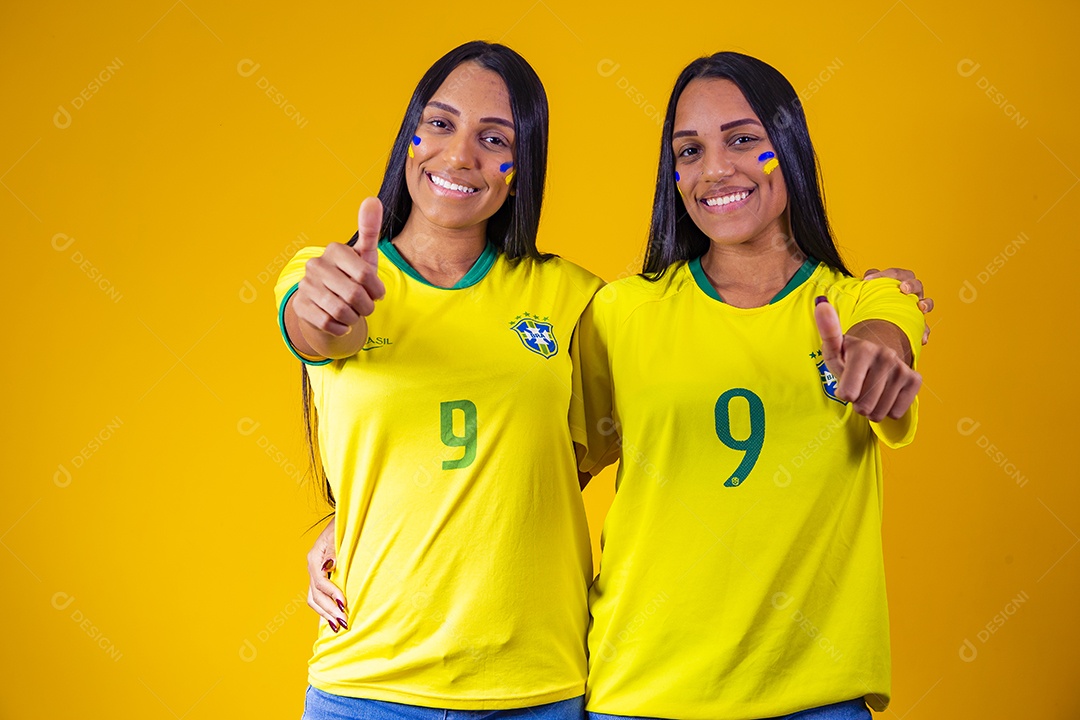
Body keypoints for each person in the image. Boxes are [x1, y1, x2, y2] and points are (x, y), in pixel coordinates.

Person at [571, 52, 926, 720]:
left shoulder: (861, 303)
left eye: (742, 140)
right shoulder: (621, 314)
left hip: (816, 699)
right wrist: (346, 526)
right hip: (640, 696)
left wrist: (877, 358)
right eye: (689, 150)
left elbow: (887, 333)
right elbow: (538, 469)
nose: (715, 170)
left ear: (788, 146)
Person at [274, 41, 603, 719]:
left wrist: (878, 310)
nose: (459, 156)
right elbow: (321, 328)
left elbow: (596, 444)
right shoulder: (329, 273)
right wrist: (330, 308)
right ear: (410, 137)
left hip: (537, 689)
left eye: (494, 138)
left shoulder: (575, 299)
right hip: (365, 690)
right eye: (441, 124)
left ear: (523, 163)